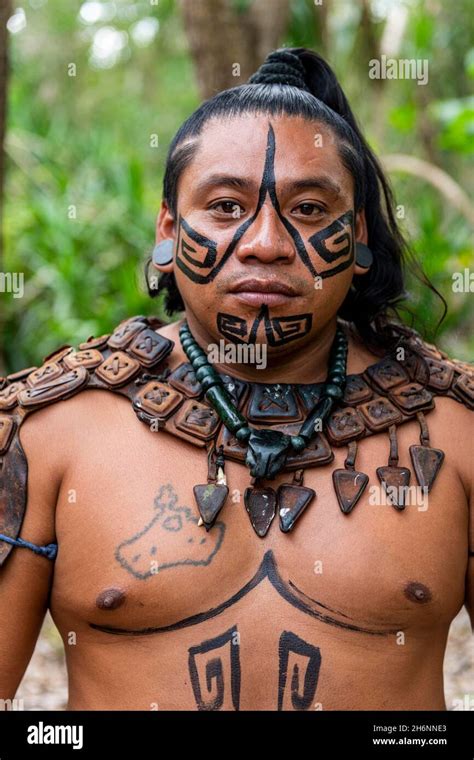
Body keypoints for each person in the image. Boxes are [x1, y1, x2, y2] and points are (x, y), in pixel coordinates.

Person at [0, 47, 472, 712]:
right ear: (168, 229)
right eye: (225, 206)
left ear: (358, 235)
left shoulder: (457, 431)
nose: (265, 242)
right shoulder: (47, 431)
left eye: (310, 209)